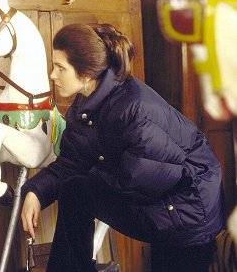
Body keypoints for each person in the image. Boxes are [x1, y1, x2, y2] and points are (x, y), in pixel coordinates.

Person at [20, 23, 225, 272]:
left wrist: (92, 170)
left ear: (86, 73)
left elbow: (142, 179)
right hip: (154, 202)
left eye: (60, 68)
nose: (52, 75)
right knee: (75, 190)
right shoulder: (84, 106)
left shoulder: (135, 109)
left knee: (80, 187)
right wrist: (36, 192)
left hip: (187, 212)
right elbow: (72, 162)